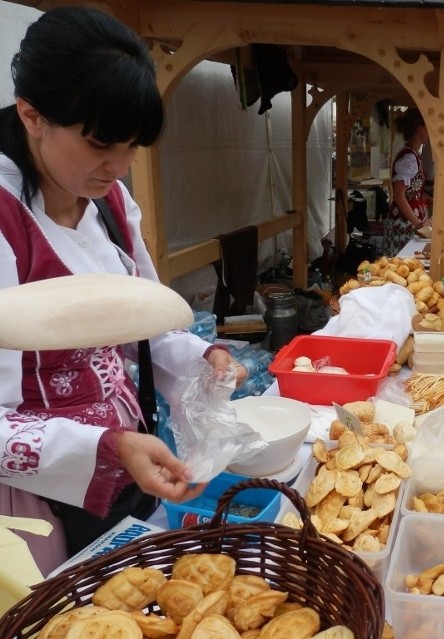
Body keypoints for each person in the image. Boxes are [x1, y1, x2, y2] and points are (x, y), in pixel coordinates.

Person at [0, 6, 247, 575]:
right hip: (36, 499)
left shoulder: (108, 201)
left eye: (132, 145)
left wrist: (202, 357)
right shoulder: (5, 222)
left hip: (129, 460)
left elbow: (146, 324)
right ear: (32, 115)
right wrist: (104, 448)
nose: (118, 165)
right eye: (99, 144)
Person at [384, 107, 431, 256]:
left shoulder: (413, 155)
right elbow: (399, 195)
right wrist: (417, 223)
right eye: (427, 127)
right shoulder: (409, 158)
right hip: (405, 224)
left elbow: (409, 193)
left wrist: (424, 200)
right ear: (420, 129)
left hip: (408, 222)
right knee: (404, 264)